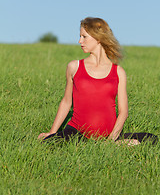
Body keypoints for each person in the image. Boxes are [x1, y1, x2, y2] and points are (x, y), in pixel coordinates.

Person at [38, 17, 158, 146]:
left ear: (98, 38)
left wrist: (110, 141)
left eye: (84, 37)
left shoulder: (118, 72)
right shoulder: (74, 67)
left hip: (109, 135)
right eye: (80, 36)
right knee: (49, 143)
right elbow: (67, 102)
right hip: (76, 132)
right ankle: (115, 145)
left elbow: (123, 112)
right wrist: (52, 132)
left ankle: (112, 144)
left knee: (151, 139)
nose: (79, 41)